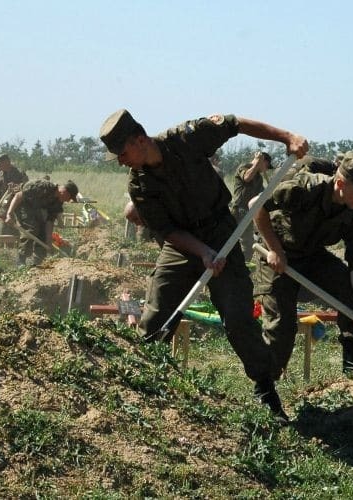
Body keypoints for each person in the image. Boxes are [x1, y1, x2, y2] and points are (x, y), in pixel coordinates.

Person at [99, 109, 307, 422]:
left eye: (122, 152)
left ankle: (266, 390)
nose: (120, 160)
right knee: (157, 315)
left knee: (238, 317)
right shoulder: (139, 185)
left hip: (221, 230)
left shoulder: (186, 138)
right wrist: (203, 253)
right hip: (182, 245)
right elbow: (166, 230)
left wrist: (287, 137)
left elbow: (237, 124)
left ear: (139, 140)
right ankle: (142, 388)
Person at [252, 151, 353, 379]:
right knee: (282, 326)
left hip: (312, 254)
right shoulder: (306, 187)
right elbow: (256, 205)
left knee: (348, 290)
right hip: (277, 253)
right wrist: (274, 249)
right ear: (340, 183)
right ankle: (267, 387)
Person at [5, 179, 78, 266]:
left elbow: (49, 222)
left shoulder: (57, 202)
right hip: (22, 204)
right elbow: (18, 196)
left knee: (43, 232)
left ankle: (38, 262)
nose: (67, 201)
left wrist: (48, 243)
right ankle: (21, 260)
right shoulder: (43, 186)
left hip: (35, 209)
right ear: (65, 192)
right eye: (68, 198)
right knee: (32, 228)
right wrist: (9, 214)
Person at [230, 151, 272, 261]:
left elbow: (262, 195)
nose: (266, 170)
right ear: (264, 162)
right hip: (239, 210)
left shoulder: (259, 178)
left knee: (247, 241)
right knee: (244, 241)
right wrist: (258, 161)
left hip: (249, 212)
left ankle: (244, 262)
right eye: (267, 166)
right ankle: (243, 264)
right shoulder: (244, 167)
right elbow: (247, 178)